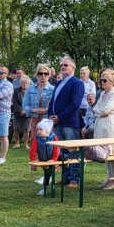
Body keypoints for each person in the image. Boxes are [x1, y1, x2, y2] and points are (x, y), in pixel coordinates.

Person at [47, 57, 86, 188]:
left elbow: (74, 104)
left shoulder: (77, 83)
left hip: (70, 123)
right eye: (61, 65)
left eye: (66, 65)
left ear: (73, 68)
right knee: (62, 152)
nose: (63, 67)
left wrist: (60, 117)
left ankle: (74, 180)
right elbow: (52, 101)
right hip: (57, 122)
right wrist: (51, 116)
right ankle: (66, 177)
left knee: (73, 151)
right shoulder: (59, 83)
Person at [94, 69, 114, 190]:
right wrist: (99, 112)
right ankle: (109, 177)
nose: (102, 82)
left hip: (110, 127)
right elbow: (96, 108)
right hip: (101, 126)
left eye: (105, 80)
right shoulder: (102, 94)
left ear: (112, 82)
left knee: (113, 153)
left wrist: (100, 111)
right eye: (101, 80)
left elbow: (106, 109)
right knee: (105, 154)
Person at [23, 65, 55, 150]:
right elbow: (25, 105)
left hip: (48, 119)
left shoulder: (53, 89)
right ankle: (35, 162)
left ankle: (50, 162)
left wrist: (47, 110)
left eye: (46, 73)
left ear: (49, 75)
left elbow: (56, 105)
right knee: (35, 143)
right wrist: (35, 110)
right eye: (40, 73)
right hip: (35, 119)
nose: (43, 76)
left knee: (49, 143)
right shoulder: (30, 89)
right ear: (37, 75)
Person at [29, 119, 61, 196]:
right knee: (47, 174)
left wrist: (53, 160)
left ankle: (60, 166)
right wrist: (33, 160)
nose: (38, 132)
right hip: (45, 159)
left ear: (47, 131)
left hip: (53, 158)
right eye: (37, 130)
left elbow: (56, 150)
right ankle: (45, 188)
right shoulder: (37, 138)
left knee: (65, 159)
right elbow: (33, 150)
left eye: (41, 130)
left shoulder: (54, 138)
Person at [11, 75, 32, 149]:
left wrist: (26, 111)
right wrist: (20, 111)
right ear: (20, 83)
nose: (25, 84)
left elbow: (32, 102)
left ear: (29, 84)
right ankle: (17, 143)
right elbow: (14, 102)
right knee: (16, 128)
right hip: (18, 113)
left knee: (27, 129)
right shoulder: (16, 91)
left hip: (27, 114)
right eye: (23, 83)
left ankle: (25, 144)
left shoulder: (31, 91)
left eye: (26, 83)